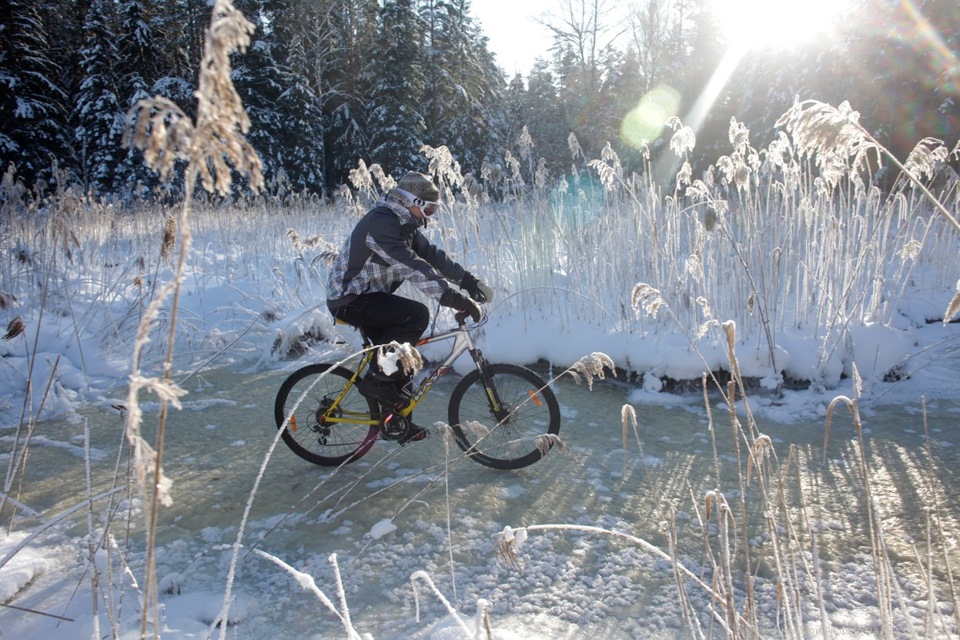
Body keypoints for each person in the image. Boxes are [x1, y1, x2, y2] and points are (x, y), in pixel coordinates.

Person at [326, 171, 493, 440]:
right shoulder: (382, 226)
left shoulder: (404, 225)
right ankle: (377, 382)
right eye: (428, 208)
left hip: (370, 296)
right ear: (409, 201)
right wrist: (453, 298)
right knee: (416, 315)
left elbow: (432, 257)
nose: (429, 216)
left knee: (405, 362)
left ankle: (395, 424)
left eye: (435, 209)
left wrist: (468, 281)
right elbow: (412, 266)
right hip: (349, 299)